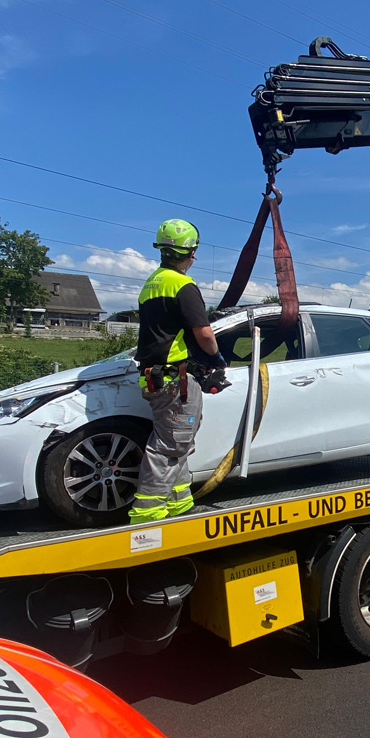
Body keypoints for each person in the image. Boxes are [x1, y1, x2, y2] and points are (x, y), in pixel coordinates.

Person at [128, 219, 224, 524]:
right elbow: (204, 334)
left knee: (177, 440)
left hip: (156, 377)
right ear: (191, 252)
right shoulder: (182, 285)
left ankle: (179, 502)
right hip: (174, 380)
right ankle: (148, 513)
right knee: (171, 443)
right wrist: (218, 359)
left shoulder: (151, 284)